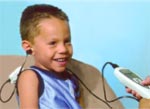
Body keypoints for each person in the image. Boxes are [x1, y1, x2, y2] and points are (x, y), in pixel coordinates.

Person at [16, 4, 84, 109]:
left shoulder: (72, 79)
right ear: (29, 47)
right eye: (53, 43)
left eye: (67, 41)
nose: (63, 49)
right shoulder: (30, 77)